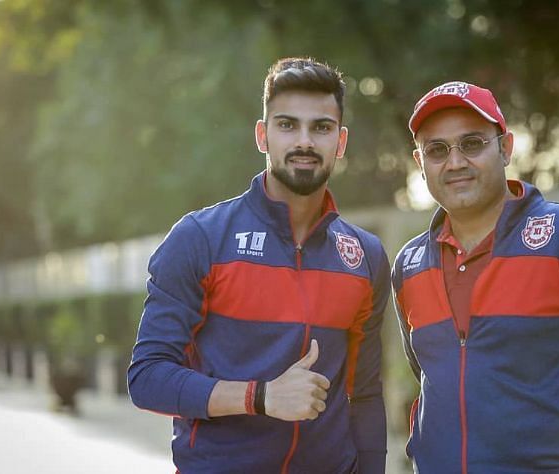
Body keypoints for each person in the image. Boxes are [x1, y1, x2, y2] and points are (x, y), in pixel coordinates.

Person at [128, 57, 389, 474]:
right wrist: (260, 396)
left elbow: (366, 395)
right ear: (262, 135)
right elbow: (148, 378)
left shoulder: (366, 256)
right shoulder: (200, 238)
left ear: (340, 142)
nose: (304, 141)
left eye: (320, 127)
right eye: (287, 125)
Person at [391, 81, 559, 473]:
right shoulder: (408, 265)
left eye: (473, 143)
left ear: (506, 147)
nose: (455, 162)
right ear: (420, 162)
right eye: (437, 150)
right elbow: (428, 369)